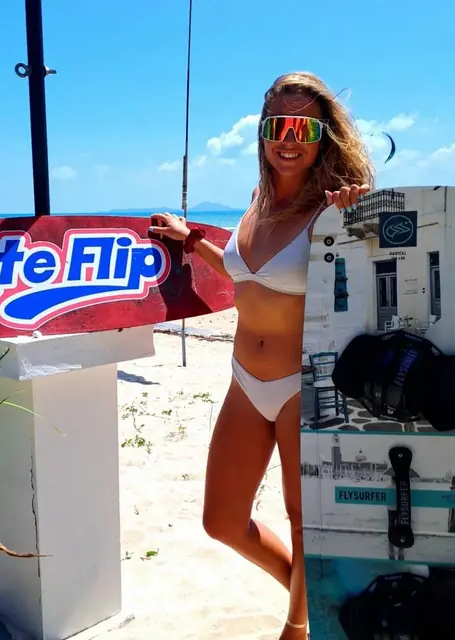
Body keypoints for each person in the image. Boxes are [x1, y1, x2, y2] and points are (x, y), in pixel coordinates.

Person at [149, 71, 375, 638]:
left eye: (304, 127)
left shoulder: (334, 212)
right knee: (222, 520)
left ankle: (297, 627)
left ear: (324, 136)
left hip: (305, 385)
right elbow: (244, 273)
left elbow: (379, 272)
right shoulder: (259, 200)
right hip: (244, 382)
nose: (289, 139)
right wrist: (191, 240)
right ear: (263, 131)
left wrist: (359, 218)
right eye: (278, 125)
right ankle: (307, 590)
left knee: (304, 521)